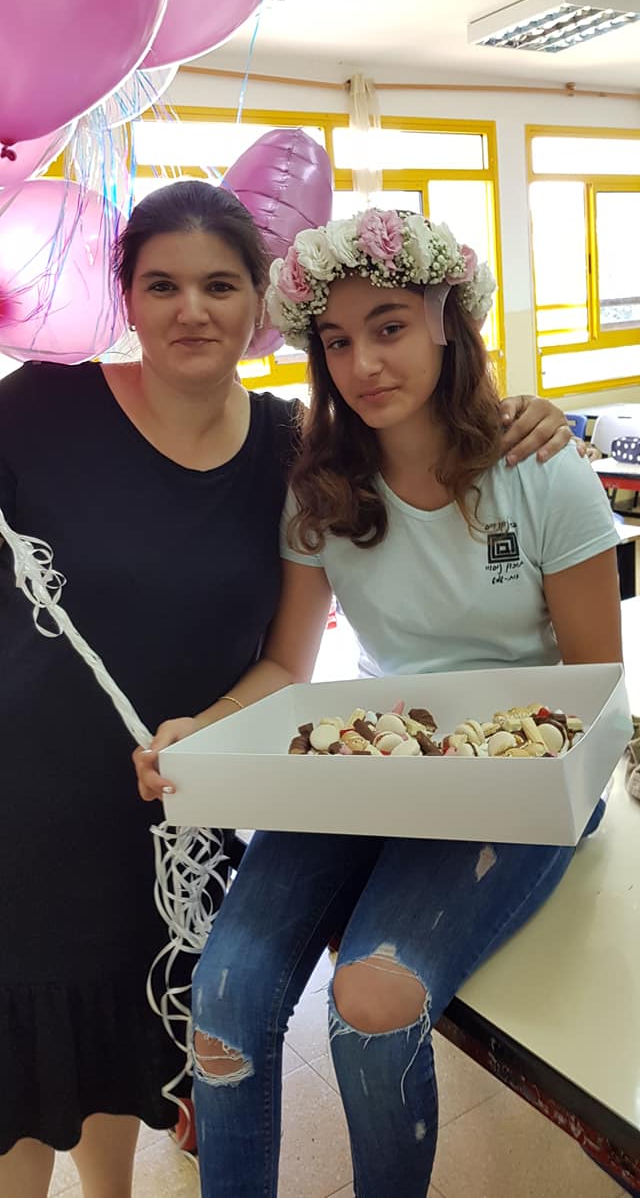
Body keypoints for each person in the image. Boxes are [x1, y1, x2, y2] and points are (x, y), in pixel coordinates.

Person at [0, 178, 571, 1198]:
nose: (191, 309)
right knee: (86, 1037)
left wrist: (530, 415)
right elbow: (284, 658)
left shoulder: (300, 450)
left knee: (146, 1026)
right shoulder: (58, 411)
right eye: (162, 284)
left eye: (219, 284)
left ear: (259, 303)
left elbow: (576, 683)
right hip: (57, 794)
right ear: (126, 295)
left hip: (206, 794)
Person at [137, 207, 621, 1198]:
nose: (362, 363)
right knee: (223, 999)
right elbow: (287, 667)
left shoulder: (540, 472)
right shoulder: (321, 486)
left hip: (521, 784)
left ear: (446, 321)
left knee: (371, 1001)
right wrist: (202, 732)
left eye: (389, 326)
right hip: (375, 766)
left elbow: (593, 696)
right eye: (337, 339)